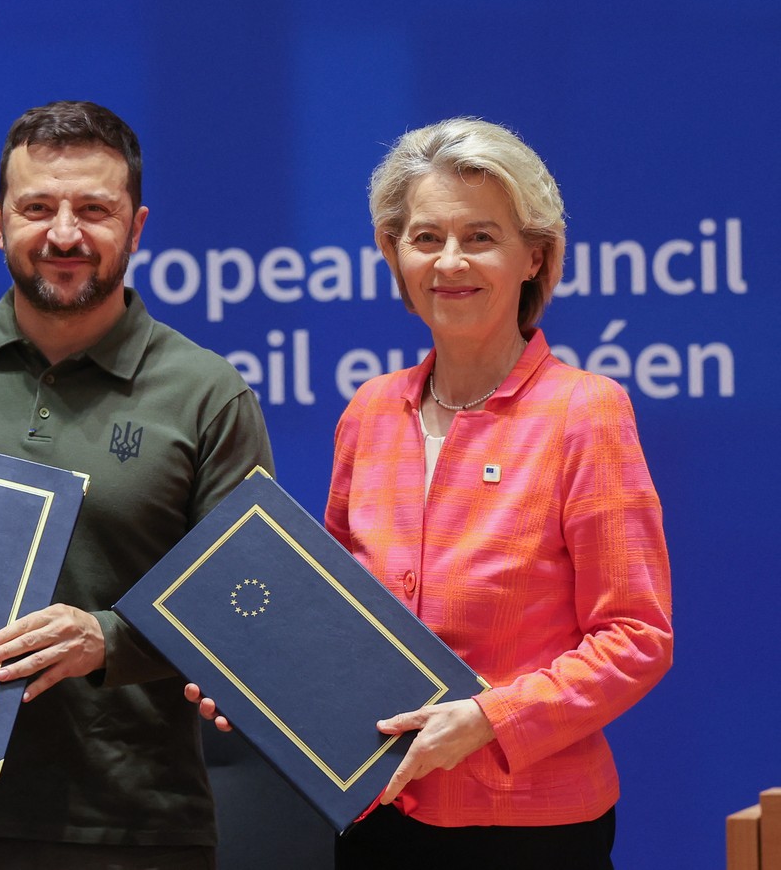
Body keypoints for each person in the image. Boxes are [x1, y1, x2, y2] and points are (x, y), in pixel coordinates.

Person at [189, 117, 672, 869]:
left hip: (532, 830)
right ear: (393, 253)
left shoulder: (586, 411)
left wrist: (487, 716)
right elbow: (336, 618)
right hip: (375, 812)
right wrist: (258, 683)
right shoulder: (369, 412)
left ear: (533, 257)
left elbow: (636, 639)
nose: (449, 261)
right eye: (424, 237)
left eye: (480, 236)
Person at [0, 100, 274, 869]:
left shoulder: (207, 395)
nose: (64, 234)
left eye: (94, 210)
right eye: (39, 207)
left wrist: (107, 637)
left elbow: (253, 602)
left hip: (140, 823)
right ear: (0, 222)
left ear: (136, 226)